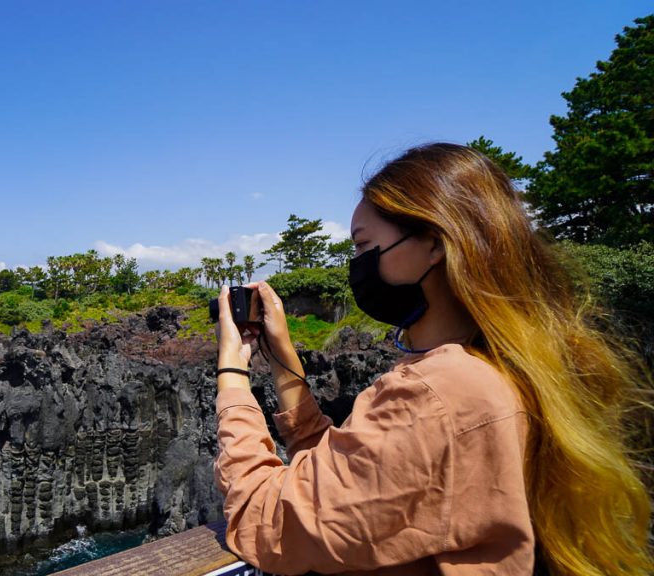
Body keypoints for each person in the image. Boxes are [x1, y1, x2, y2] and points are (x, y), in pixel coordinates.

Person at [213, 143, 653, 575]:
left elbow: (266, 521)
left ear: (434, 243)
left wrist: (232, 375)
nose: (357, 265)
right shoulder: (508, 366)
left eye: (365, 247)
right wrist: (283, 358)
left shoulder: (435, 394)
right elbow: (346, 484)